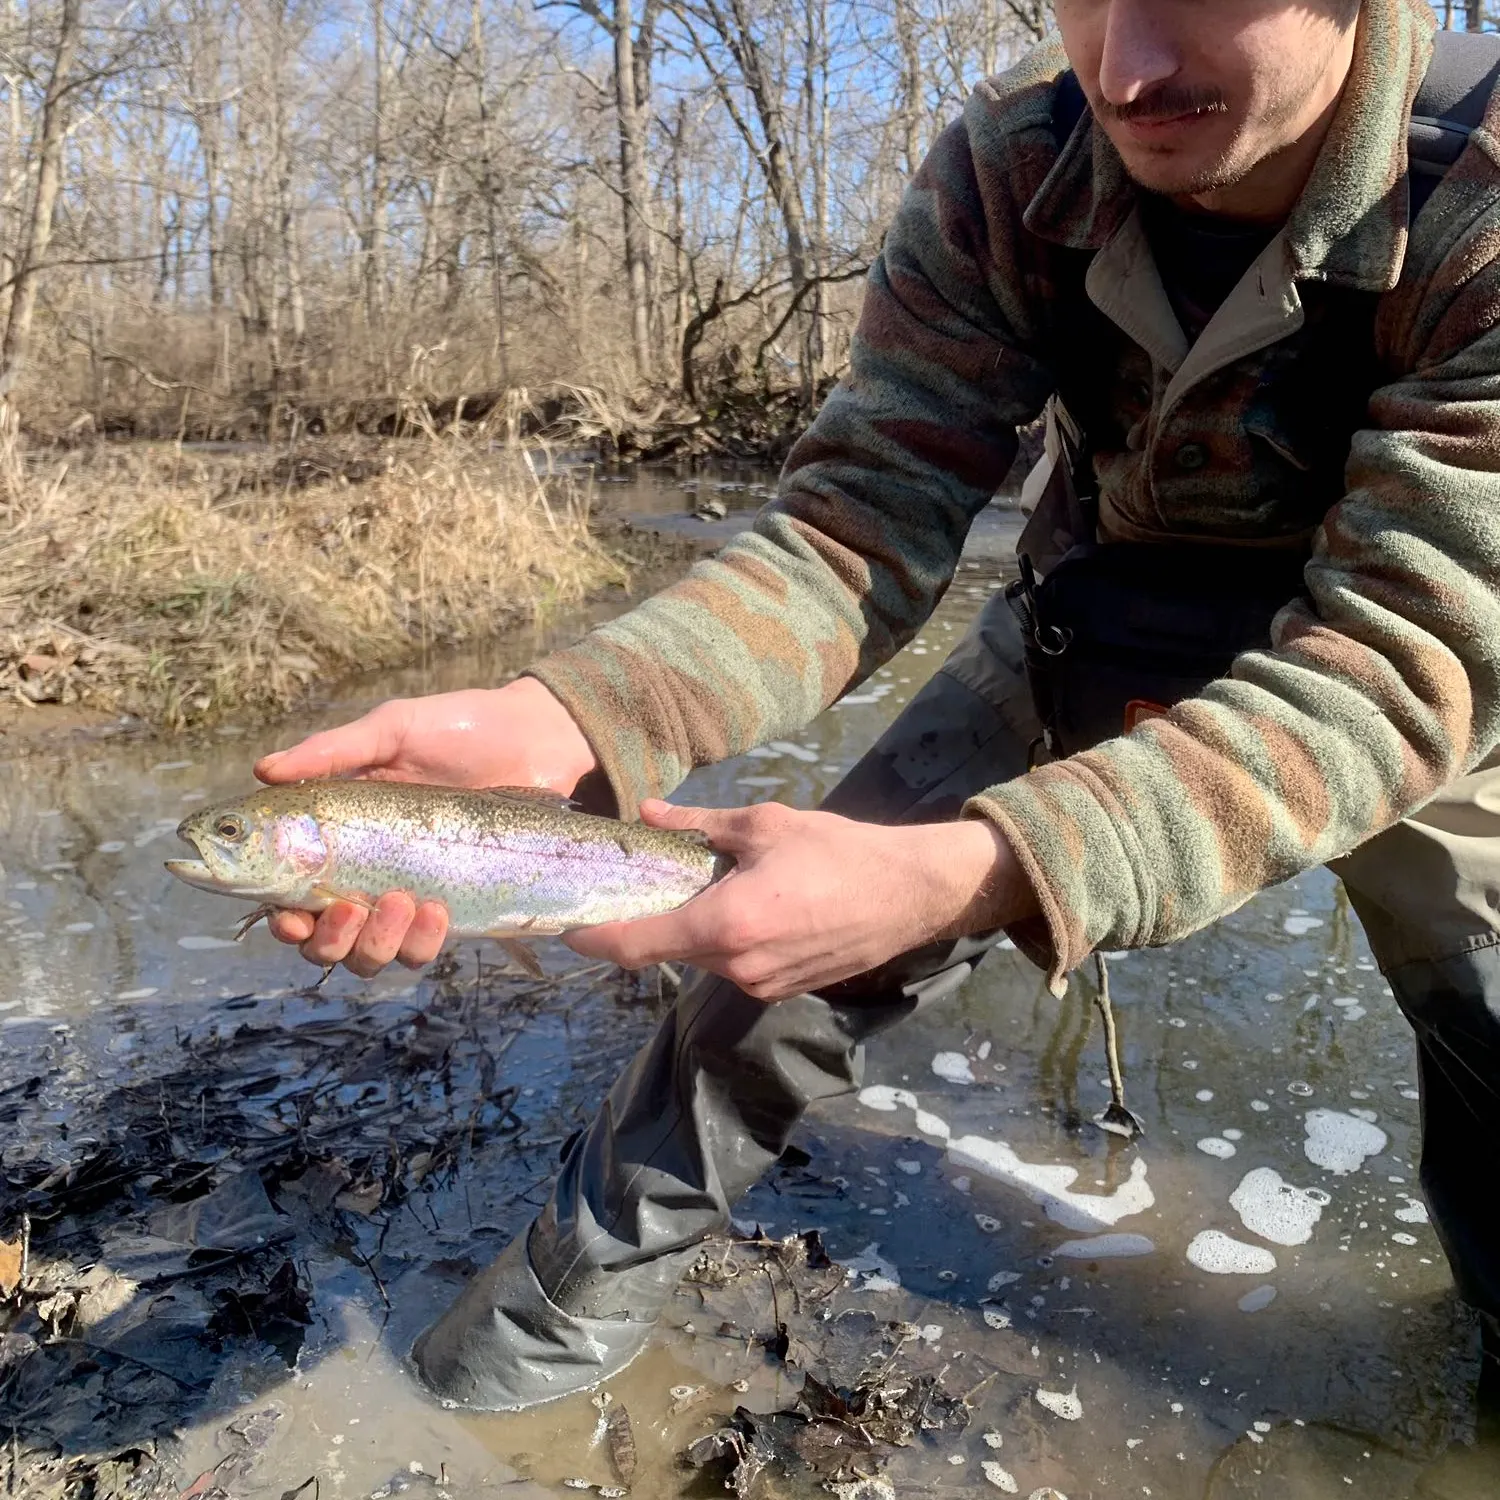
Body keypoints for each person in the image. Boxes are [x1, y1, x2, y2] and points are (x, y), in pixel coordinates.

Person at [256, 0, 1499, 1483]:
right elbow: (856, 526)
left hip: (1416, 664)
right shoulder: (1012, 165)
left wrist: (980, 870)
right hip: (1090, 617)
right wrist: (574, 716)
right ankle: (519, 1352)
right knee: (755, 982)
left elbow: (1398, 664)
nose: (1129, 67)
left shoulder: (1484, 193)